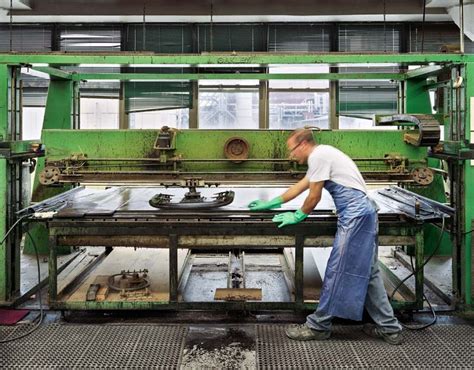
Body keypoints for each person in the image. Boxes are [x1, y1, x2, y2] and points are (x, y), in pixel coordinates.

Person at [248, 128, 403, 345]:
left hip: (355, 217)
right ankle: (390, 329)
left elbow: (314, 195)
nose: (291, 155)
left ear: (303, 145)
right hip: (364, 214)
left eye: (292, 150)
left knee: (337, 270)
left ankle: (318, 326)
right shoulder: (323, 155)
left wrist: (298, 215)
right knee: (369, 273)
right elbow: (301, 186)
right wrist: (271, 203)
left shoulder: (318, 156)